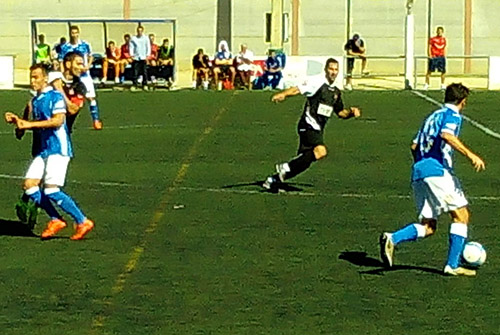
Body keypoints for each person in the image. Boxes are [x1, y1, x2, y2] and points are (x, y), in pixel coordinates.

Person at [379, 83, 485, 277]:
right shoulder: (452, 116)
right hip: (437, 171)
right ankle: (452, 265)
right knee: (461, 215)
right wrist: (471, 155)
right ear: (463, 101)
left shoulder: (431, 117)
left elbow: (413, 146)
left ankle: (392, 238)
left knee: (429, 226)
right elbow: (447, 135)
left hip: (419, 171)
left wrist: (422, 168)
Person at [4, 64, 95, 240]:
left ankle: (82, 221)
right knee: (30, 185)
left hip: (58, 149)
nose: (33, 81)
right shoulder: (35, 101)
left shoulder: (55, 97)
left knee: (51, 190)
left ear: (46, 79)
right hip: (44, 149)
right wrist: (18, 122)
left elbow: (57, 121)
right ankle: (56, 219)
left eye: (36, 77)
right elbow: (29, 126)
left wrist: (28, 124)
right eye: (31, 77)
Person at [263, 58, 361, 190]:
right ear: (326, 70)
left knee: (309, 158)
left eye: (336, 69)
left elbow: (340, 113)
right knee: (321, 151)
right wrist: (284, 94)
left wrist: (350, 112)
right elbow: (298, 89)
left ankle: (274, 179)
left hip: (318, 129)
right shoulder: (317, 83)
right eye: (331, 69)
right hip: (308, 125)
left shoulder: (336, 92)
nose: (333, 72)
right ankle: (286, 167)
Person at [59, 25, 103, 130]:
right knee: (69, 99)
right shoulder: (65, 47)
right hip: (71, 77)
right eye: (72, 33)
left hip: (84, 75)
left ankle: (96, 120)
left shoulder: (84, 45)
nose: (74, 35)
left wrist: (87, 66)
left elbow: (90, 56)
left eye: (76, 33)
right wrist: (63, 73)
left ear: (79, 33)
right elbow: (61, 60)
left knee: (90, 97)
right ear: (70, 34)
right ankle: (66, 122)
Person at [424, 26, 447, 90]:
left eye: (441, 32)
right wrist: (430, 55)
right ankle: (426, 84)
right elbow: (429, 47)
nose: (439, 33)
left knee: (443, 71)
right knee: (429, 71)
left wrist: (444, 55)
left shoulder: (443, 39)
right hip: (434, 57)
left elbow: (444, 48)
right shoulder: (433, 39)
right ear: (436, 32)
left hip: (441, 57)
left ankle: (442, 84)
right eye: (438, 31)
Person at [129, 25, 151, 91]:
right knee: (135, 72)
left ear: (142, 31)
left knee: (144, 72)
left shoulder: (146, 38)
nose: (139, 32)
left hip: (143, 57)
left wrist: (147, 55)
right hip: (136, 57)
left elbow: (148, 47)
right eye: (138, 31)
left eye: (141, 31)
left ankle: (145, 85)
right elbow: (131, 47)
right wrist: (131, 55)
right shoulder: (133, 38)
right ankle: (134, 85)